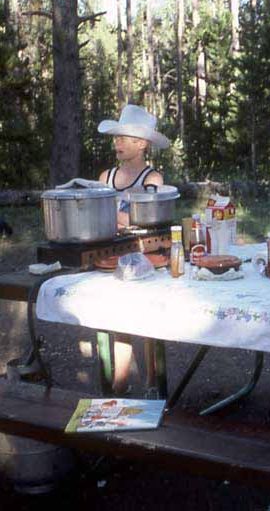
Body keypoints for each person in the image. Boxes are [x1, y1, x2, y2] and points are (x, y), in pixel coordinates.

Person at [97, 104, 170, 394]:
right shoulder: (106, 178)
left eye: (123, 138)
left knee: (148, 316)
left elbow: (145, 219)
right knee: (115, 315)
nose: (117, 142)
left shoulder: (153, 179)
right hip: (108, 258)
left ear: (141, 144)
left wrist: (109, 217)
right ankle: (121, 380)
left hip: (144, 257)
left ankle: (153, 381)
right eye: (116, 138)